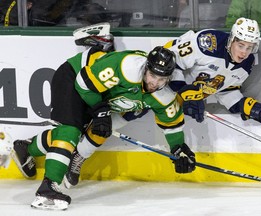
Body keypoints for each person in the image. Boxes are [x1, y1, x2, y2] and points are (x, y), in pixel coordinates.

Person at [11, 25, 195, 210]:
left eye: (162, 79)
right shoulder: (127, 66)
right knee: (69, 130)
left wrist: (179, 149)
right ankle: (47, 189)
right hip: (75, 76)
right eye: (152, 75)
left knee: (91, 131)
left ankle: (27, 148)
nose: (155, 83)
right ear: (146, 68)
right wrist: (100, 110)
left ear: (168, 78)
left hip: (98, 93)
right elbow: (83, 83)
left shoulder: (164, 96)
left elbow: (171, 124)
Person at [164, 17, 261, 129]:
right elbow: (170, 63)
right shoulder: (209, 42)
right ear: (231, 40)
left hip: (176, 101)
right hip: (157, 78)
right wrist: (183, 92)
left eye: (249, 48)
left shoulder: (247, 64)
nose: (244, 53)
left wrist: (248, 107)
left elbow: (225, 90)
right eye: (240, 45)